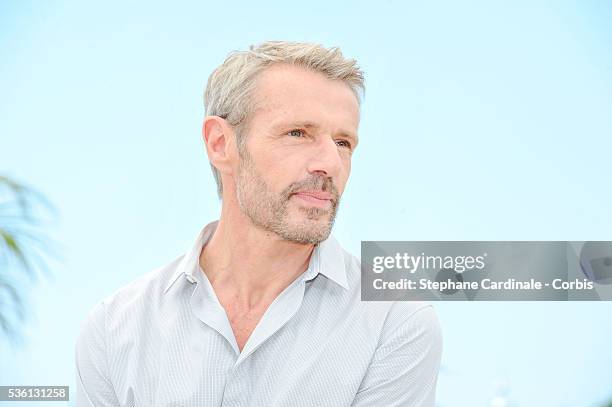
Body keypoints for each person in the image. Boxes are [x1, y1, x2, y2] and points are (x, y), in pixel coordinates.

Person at [75, 40, 443, 406]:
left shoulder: (395, 325)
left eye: (344, 142)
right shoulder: (114, 329)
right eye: (298, 133)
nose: (331, 164)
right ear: (220, 144)